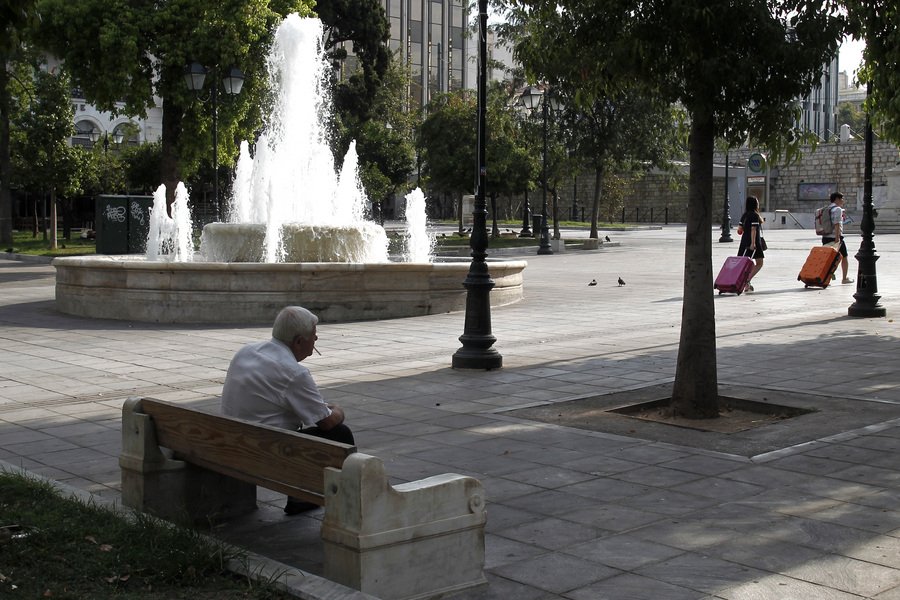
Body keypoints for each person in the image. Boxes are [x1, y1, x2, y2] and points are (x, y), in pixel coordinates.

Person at [222, 306, 354, 514]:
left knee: (291, 432)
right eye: (313, 335)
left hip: (228, 442)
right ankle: (339, 501)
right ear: (299, 341)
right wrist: (337, 409)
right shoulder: (295, 373)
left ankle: (300, 496)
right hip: (265, 453)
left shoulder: (246, 351)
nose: (316, 338)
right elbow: (326, 421)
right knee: (340, 433)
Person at [821, 191, 854, 284]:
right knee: (844, 257)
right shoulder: (837, 209)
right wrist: (837, 237)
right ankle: (844, 278)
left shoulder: (826, 208)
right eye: (842, 198)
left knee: (828, 258)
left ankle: (825, 278)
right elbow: (837, 224)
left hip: (825, 236)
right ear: (837, 199)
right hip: (835, 237)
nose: (843, 200)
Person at [737, 195, 766, 292]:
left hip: (744, 241)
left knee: (745, 262)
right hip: (753, 241)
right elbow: (754, 229)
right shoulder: (754, 215)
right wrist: (753, 243)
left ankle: (746, 283)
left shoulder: (744, 215)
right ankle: (747, 281)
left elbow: (739, 229)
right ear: (755, 204)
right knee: (759, 262)